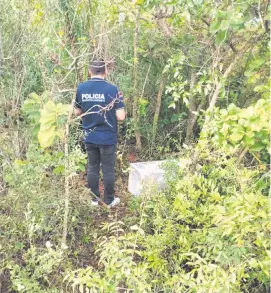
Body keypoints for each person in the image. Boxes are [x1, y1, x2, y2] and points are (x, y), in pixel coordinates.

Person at [74, 59, 125, 207]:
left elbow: (77, 112)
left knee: (92, 167)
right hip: (107, 137)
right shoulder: (113, 89)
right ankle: (109, 200)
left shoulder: (81, 88)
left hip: (89, 135)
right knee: (108, 168)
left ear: (89, 71)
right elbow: (121, 116)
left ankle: (94, 199)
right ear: (106, 71)